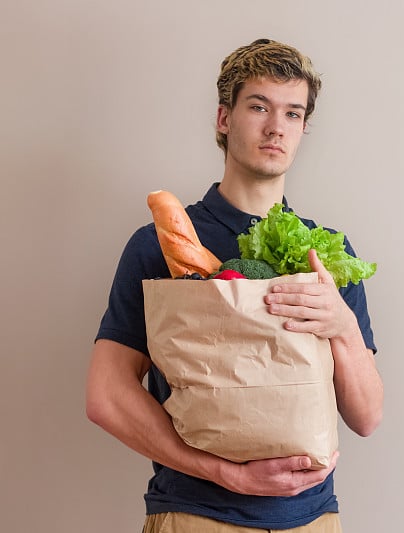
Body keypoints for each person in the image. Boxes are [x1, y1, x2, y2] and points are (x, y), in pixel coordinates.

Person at [86, 38, 383, 532]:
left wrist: (343, 326)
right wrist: (224, 474)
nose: (275, 127)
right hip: (197, 515)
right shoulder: (159, 244)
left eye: (292, 113)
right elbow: (106, 395)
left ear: (304, 127)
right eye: (259, 106)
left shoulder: (327, 252)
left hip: (313, 519)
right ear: (224, 119)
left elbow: (367, 417)